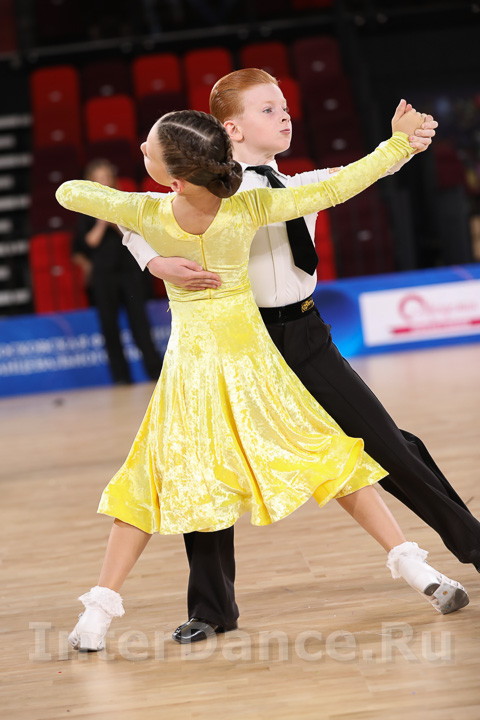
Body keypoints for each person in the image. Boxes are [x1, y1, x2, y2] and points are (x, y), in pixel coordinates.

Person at [56, 108, 469, 654]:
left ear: (175, 176)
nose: (141, 151)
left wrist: (150, 242)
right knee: (334, 460)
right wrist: (394, 147)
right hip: (256, 367)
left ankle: (97, 614)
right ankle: (417, 570)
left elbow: (69, 192)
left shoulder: (145, 210)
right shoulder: (248, 205)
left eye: (147, 148)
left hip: (191, 378)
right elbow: (342, 185)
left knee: (151, 484)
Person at [72, 159, 163, 384]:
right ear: (91, 181)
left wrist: (115, 220)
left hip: (129, 270)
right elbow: (89, 243)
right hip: (104, 274)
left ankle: (154, 370)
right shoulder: (85, 208)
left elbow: (137, 236)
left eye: (106, 176)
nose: (103, 181)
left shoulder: (124, 202)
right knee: (109, 325)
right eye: (98, 177)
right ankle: (121, 376)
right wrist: (101, 222)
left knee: (139, 322)